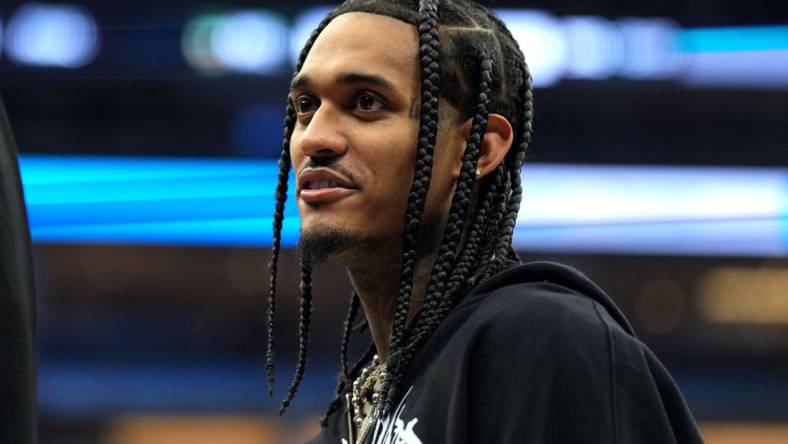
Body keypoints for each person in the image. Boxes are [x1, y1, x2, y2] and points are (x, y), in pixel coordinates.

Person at [265, 1, 705, 443]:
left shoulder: (541, 342)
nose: (314, 138)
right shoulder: (360, 408)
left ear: (478, 150)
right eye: (305, 105)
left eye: (366, 102)